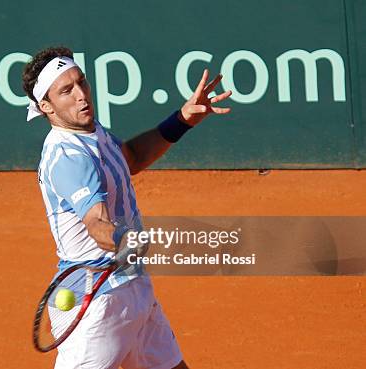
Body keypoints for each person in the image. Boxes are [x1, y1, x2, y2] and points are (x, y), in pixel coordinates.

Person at [22, 46, 232, 369]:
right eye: (67, 90)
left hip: (134, 289)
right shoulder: (69, 157)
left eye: (82, 83)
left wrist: (182, 120)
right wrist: (122, 239)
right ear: (46, 107)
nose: (81, 95)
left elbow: (130, 156)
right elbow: (96, 222)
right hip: (99, 308)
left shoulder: (91, 132)